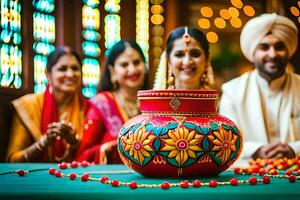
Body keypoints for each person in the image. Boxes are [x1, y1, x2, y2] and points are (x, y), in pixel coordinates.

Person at [219, 13, 300, 159]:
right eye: (264, 47)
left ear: (288, 50)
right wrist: (257, 150)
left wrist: (293, 149)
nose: (272, 54)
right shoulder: (232, 91)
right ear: (253, 52)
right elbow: (227, 138)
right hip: (249, 172)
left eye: (279, 47)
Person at [6, 46, 93, 162]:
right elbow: (13, 160)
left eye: (75, 68)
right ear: (48, 74)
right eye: (62, 69)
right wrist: (43, 143)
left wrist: (74, 143)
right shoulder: (28, 105)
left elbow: (92, 156)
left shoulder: (88, 107)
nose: (70, 74)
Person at [76, 40, 147, 164]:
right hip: (110, 179)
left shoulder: (154, 103)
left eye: (137, 62)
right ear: (112, 72)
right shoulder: (102, 104)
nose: (132, 69)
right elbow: (83, 155)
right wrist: (111, 149)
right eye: (124, 65)